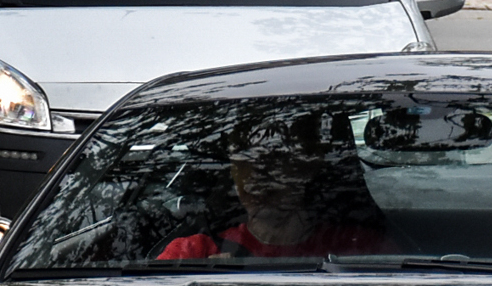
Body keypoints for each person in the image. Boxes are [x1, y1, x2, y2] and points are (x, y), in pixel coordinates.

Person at [159, 112, 390, 261]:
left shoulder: (362, 250)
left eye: (274, 163)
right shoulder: (194, 254)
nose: (256, 179)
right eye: (244, 165)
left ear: (308, 168)